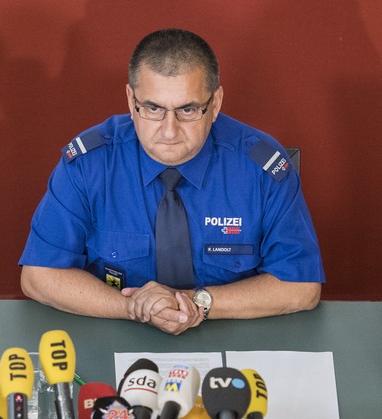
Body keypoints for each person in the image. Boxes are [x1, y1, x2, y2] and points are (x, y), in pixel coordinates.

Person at [19, 29, 323, 335]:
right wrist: (134, 306)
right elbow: (39, 276)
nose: (169, 131)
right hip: (115, 338)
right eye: (153, 108)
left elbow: (300, 287)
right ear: (130, 100)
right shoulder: (90, 164)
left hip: (236, 341)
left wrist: (197, 303)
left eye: (187, 110)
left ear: (215, 104)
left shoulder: (260, 167)